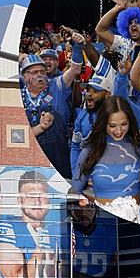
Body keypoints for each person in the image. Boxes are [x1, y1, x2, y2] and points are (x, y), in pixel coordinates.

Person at [72, 96, 140, 218]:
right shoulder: (90, 150)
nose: (119, 131)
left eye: (124, 124)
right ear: (103, 123)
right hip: (102, 220)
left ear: (130, 121)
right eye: (112, 126)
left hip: (134, 220)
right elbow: (75, 191)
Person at [20, 43, 84, 179]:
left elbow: (75, 69)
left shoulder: (56, 85)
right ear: (25, 76)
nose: (40, 75)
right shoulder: (17, 95)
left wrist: (77, 48)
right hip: (29, 155)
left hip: (57, 151)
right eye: (35, 72)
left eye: (42, 72)